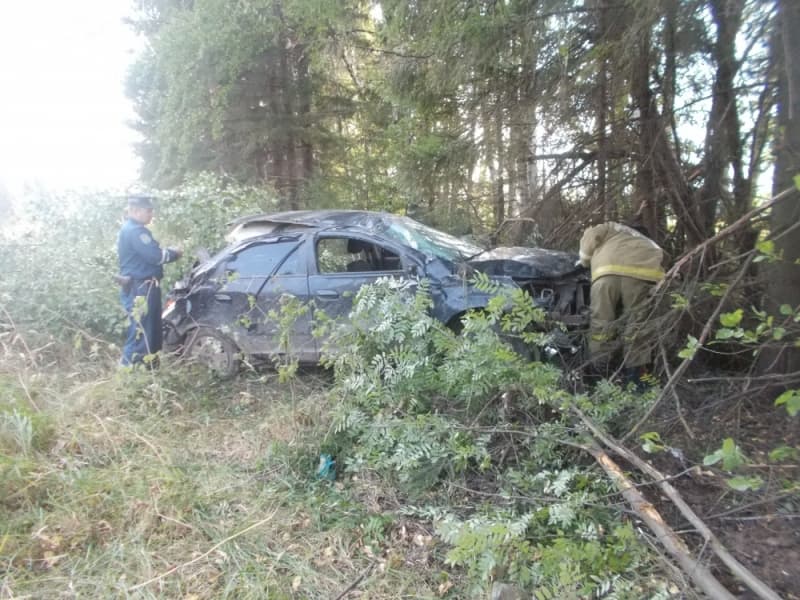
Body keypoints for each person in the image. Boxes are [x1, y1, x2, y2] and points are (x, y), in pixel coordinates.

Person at [577, 221, 664, 388]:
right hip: (640, 278)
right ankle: (636, 377)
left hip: (606, 275)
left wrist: (584, 260)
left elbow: (591, 235)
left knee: (600, 323)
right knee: (637, 326)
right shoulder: (651, 244)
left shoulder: (612, 227)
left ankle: (598, 373)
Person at [117, 195, 182, 367]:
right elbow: (155, 256)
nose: (151, 214)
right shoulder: (135, 231)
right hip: (140, 288)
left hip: (144, 286)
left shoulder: (132, 229)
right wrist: (175, 253)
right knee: (141, 331)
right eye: (148, 211)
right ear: (135, 211)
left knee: (151, 329)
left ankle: (149, 369)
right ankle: (129, 371)